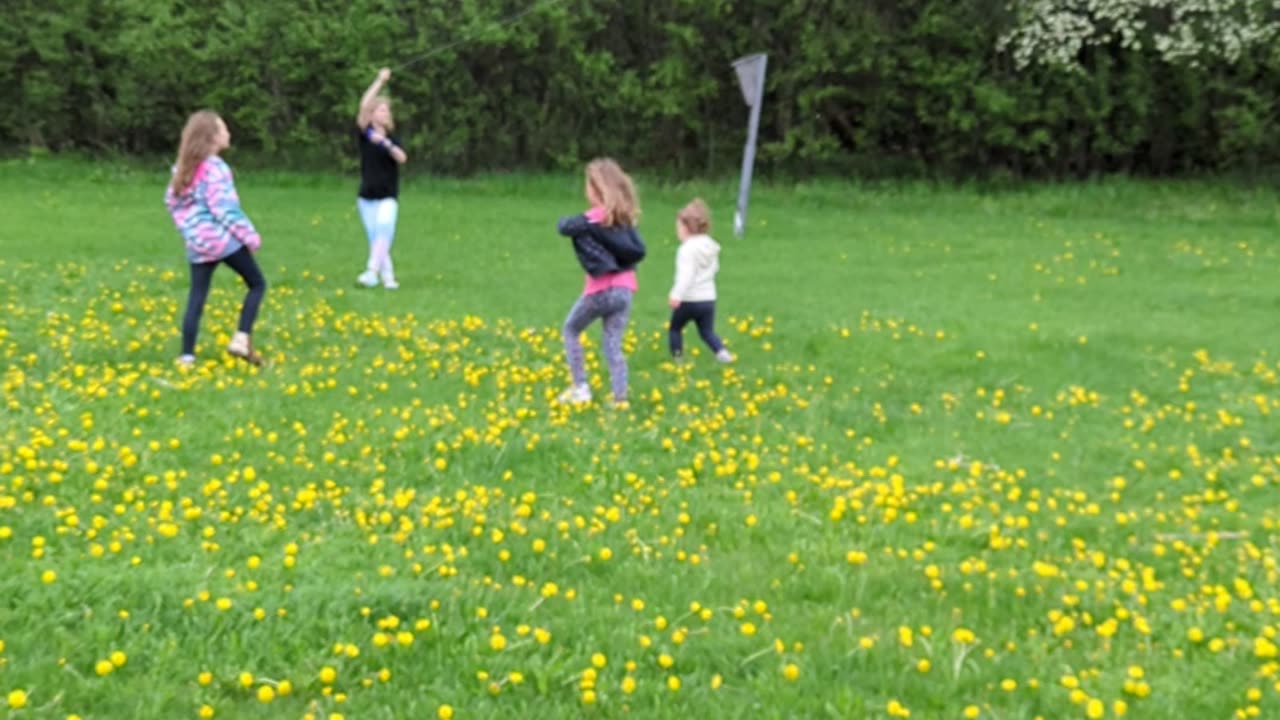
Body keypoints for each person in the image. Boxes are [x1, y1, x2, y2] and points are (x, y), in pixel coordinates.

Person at [164, 110, 267, 367]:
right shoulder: (216, 169)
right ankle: (241, 339)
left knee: (197, 297)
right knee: (257, 284)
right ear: (212, 138)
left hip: (198, 243)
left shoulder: (185, 169)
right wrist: (249, 236)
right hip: (222, 241)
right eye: (224, 129)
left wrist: (190, 231)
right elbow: (224, 209)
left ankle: (187, 355)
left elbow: (173, 203)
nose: (228, 133)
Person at [554, 158, 647, 406]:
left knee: (571, 329)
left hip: (601, 290)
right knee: (612, 343)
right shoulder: (625, 219)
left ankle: (580, 387)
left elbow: (565, 227)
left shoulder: (594, 218)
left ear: (596, 189)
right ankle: (620, 398)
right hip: (625, 290)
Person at [355, 67, 408, 289]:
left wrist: (385, 144)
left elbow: (402, 158)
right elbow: (363, 104)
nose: (383, 113)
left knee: (384, 228)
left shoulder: (393, 138)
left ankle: (371, 271)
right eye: (379, 110)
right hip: (366, 197)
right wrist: (379, 81)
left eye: (386, 111)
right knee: (376, 238)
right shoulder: (365, 134)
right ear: (373, 114)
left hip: (388, 195)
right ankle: (387, 277)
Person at [667, 198, 733, 363]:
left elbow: (686, 275)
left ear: (687, 228)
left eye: (679, 228)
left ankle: (678, 359)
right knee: (707, 331)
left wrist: (676, 295)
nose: (678, 232)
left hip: (689, 299)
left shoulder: (687, 250)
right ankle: (722, 352)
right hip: (708, 298)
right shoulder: (711, 246)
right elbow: (714, 269)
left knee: (675, 329)